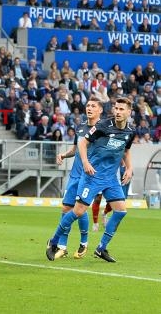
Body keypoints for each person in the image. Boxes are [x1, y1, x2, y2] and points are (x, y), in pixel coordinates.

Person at [49, 97, 135, 263]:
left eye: (121, 109)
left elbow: (126, 151)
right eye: (116, 109)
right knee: (78, 211)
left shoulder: (130, 131)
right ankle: (54, 241)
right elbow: (82, 144)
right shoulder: (103, 126)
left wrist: (129, 168)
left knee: (121, 211)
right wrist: (86, 163)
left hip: (111, 178)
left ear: (129, 112)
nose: (117, 112)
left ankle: (101, 248)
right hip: (93, 176)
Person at [47, 97, 102, 261]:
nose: (89, 108)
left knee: (79, 209)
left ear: (100, 110)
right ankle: (62, 247)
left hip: (89, 176)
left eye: (93, 106)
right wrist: (63, 154)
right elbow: (75, 149)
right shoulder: (81, 128)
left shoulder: (103, 130)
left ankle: (84, 243)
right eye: (88, 105)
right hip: (75, 175)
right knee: (66, 209)